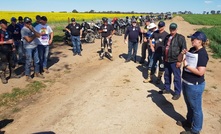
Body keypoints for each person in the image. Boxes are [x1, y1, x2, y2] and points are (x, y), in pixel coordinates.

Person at [176, 31, 209, 134]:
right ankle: (189, 122)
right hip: (186, 82)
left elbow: (200, 72)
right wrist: (182, 53)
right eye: (191, 38)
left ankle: (195, 130)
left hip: (194, 85)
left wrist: (187, 66)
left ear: (200, 41)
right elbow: (179, 60)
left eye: (193, 39)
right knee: (189, 105)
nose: (191, 40)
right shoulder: (192, 50)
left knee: (196, 109)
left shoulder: (202, 54)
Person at [159, 23, 187, 100]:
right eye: (171, 30)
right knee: (167, 75)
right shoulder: (167, 37)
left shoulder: (180, 38)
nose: (172, 31)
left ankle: (177, 92)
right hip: (167, 60)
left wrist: (179, 61)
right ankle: (167, 89)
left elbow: (184, 50)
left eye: (173, 30)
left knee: (177, 77)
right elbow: (165, 47)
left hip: (175, 61)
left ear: (176, 29)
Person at [21, 17, 44, 82]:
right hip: (28, 48)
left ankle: (37, 72)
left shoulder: (32, 28)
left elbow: (39, 35)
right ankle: (27, 76)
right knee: (29, 61)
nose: (29, 24)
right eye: (27, 22)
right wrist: (34, 35)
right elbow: (28, 40)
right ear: (25, 23)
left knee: (37, 61)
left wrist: (33, 31)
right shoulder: (23, 30)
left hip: (35, 46)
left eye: (30, 22)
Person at [0, 19, 19, 84]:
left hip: (10, 49)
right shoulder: (0, 32)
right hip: (3, 50)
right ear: (1, 24)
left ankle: (12, 74)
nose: (6, 25)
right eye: (5, 24)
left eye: (6, 24)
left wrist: (13, 46)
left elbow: (12, 39)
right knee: (4, 63)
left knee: (12, 62)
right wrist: (6, 42)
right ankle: (3, 76)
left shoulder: (9, 31)